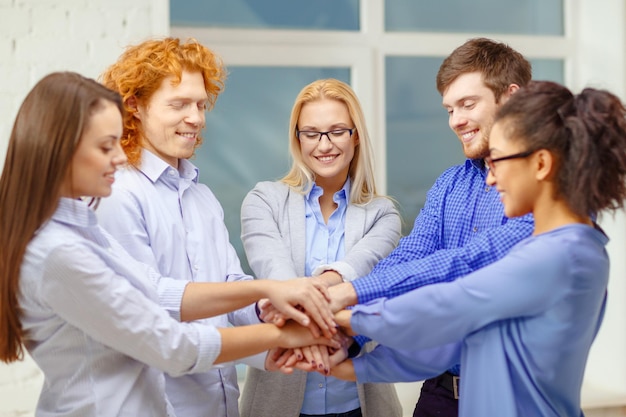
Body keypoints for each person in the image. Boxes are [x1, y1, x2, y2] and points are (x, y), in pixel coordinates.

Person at [0, 72, 340, 416]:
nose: (119, 157)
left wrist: (266, 290)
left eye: (200, 104)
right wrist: (284, 336)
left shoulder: (84, 230)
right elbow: (170, 345)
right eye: (105, 146)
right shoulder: (60, 251)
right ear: (60, 150)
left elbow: (157, 293)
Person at [328, 80, 626, 416]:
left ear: (541, 164)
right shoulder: (556, 248)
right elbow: (451, 342)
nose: (490, 178)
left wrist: (341, 317)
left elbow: (449, 305)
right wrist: (351, 368)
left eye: (497, 160)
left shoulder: (563, 255)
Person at [97, 37, 336, 417]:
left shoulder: (201, 196)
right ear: (134, 106)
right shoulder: (119, 193)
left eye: (201, 104)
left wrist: (265, 309)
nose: (196, 118)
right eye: (179, 104)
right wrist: (272, 301)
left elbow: (229, 285)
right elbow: (148, 302)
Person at [327, 38, 534, 416]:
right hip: (441, 391)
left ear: (511, 98)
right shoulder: (450, 184)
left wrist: (348, 296)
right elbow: (411, 256)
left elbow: (469, 265)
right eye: (450, 109)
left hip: (512, 393)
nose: (456, 120)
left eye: (468, 104)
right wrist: (346, 333)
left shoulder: (543, 188)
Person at [238, 79, 403, 417]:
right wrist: (302, 300)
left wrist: (316, 289)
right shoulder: (263, 201)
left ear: (355, 135)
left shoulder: (382, 214)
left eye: (337, 131)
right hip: (277, 402)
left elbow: (359, 267)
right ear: (297, 139)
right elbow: (277, 275)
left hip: (362, 403)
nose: (324, 145)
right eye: (311, 133)